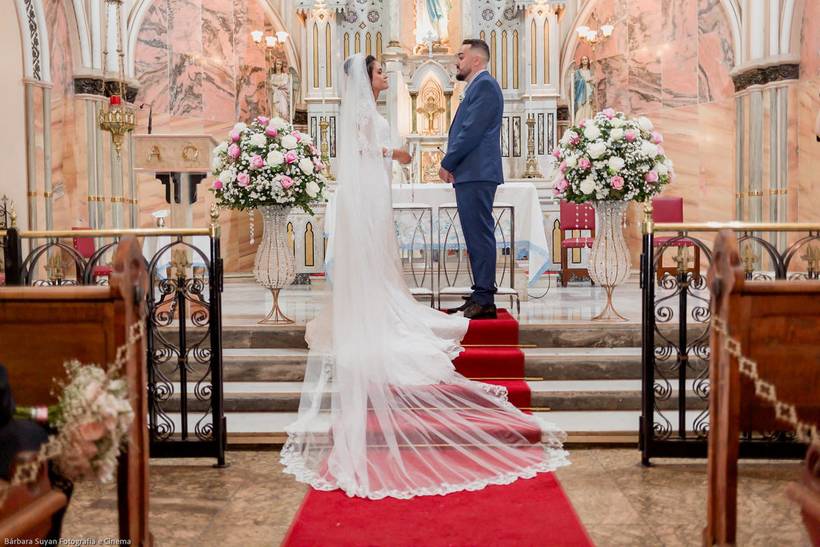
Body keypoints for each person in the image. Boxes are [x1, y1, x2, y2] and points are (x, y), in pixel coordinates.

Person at [280, 53, 568, 500]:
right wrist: (394, 152)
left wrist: (416, 156)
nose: (384, 76)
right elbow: (362, 150)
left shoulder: (473, 89)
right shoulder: (363, 113)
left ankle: (468, 295)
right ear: (366, 79)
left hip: (385, 189)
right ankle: (422, 303)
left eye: (383, 72)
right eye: (379, 72)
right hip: (372, 190)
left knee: (427, 247)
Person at [439, 39, 504, 320]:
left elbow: (471, 131)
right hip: (472, 172)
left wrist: (447, 162)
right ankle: (480, 295)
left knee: (479, 234)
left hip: (477, 171)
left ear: (476, 60)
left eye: (461, 56)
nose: (457, 61)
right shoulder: (478, 86)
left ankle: (485, 298)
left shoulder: (485, 85)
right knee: (475, 234)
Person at [573, 56, 595, 122]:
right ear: (581, 61)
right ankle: (579, 123)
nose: (584, 61)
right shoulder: (578, 72)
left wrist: (592, 81)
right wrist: (584, 80)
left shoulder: (590, 71)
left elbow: (594, 81)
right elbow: (576, 82)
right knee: (581, 106)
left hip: (589, 90)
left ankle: (588, 121)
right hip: (581, 92)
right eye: (583, 59)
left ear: (588, 61)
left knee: (589, 105)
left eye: (586, 59)